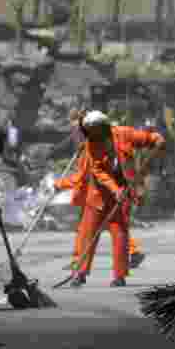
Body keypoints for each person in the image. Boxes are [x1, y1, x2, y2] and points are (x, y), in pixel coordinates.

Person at [54, 111, 164, 287]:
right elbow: (99, 172)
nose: (91, 135)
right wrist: (114, 189)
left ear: (103, 128)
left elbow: (144, 138)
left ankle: (119, 276)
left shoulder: (124, 134)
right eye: (89, 132)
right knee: (88, 235)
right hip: (97, 197)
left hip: (121, 196)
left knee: (120, 234)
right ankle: (80, 273)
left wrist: (155, 138)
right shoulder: (91, 145)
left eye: (94, 131)